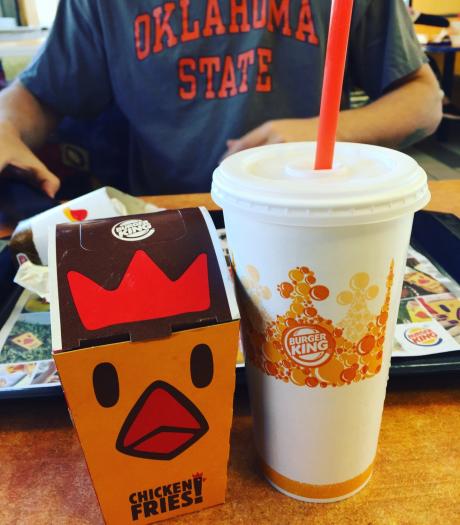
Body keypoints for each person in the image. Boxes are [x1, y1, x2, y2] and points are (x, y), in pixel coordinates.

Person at [0, 0, 442, 198]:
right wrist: (5, 128)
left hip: (314, 211)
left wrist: (326, 134)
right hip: (168, 219)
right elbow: (38, 96)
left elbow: (423, 99)